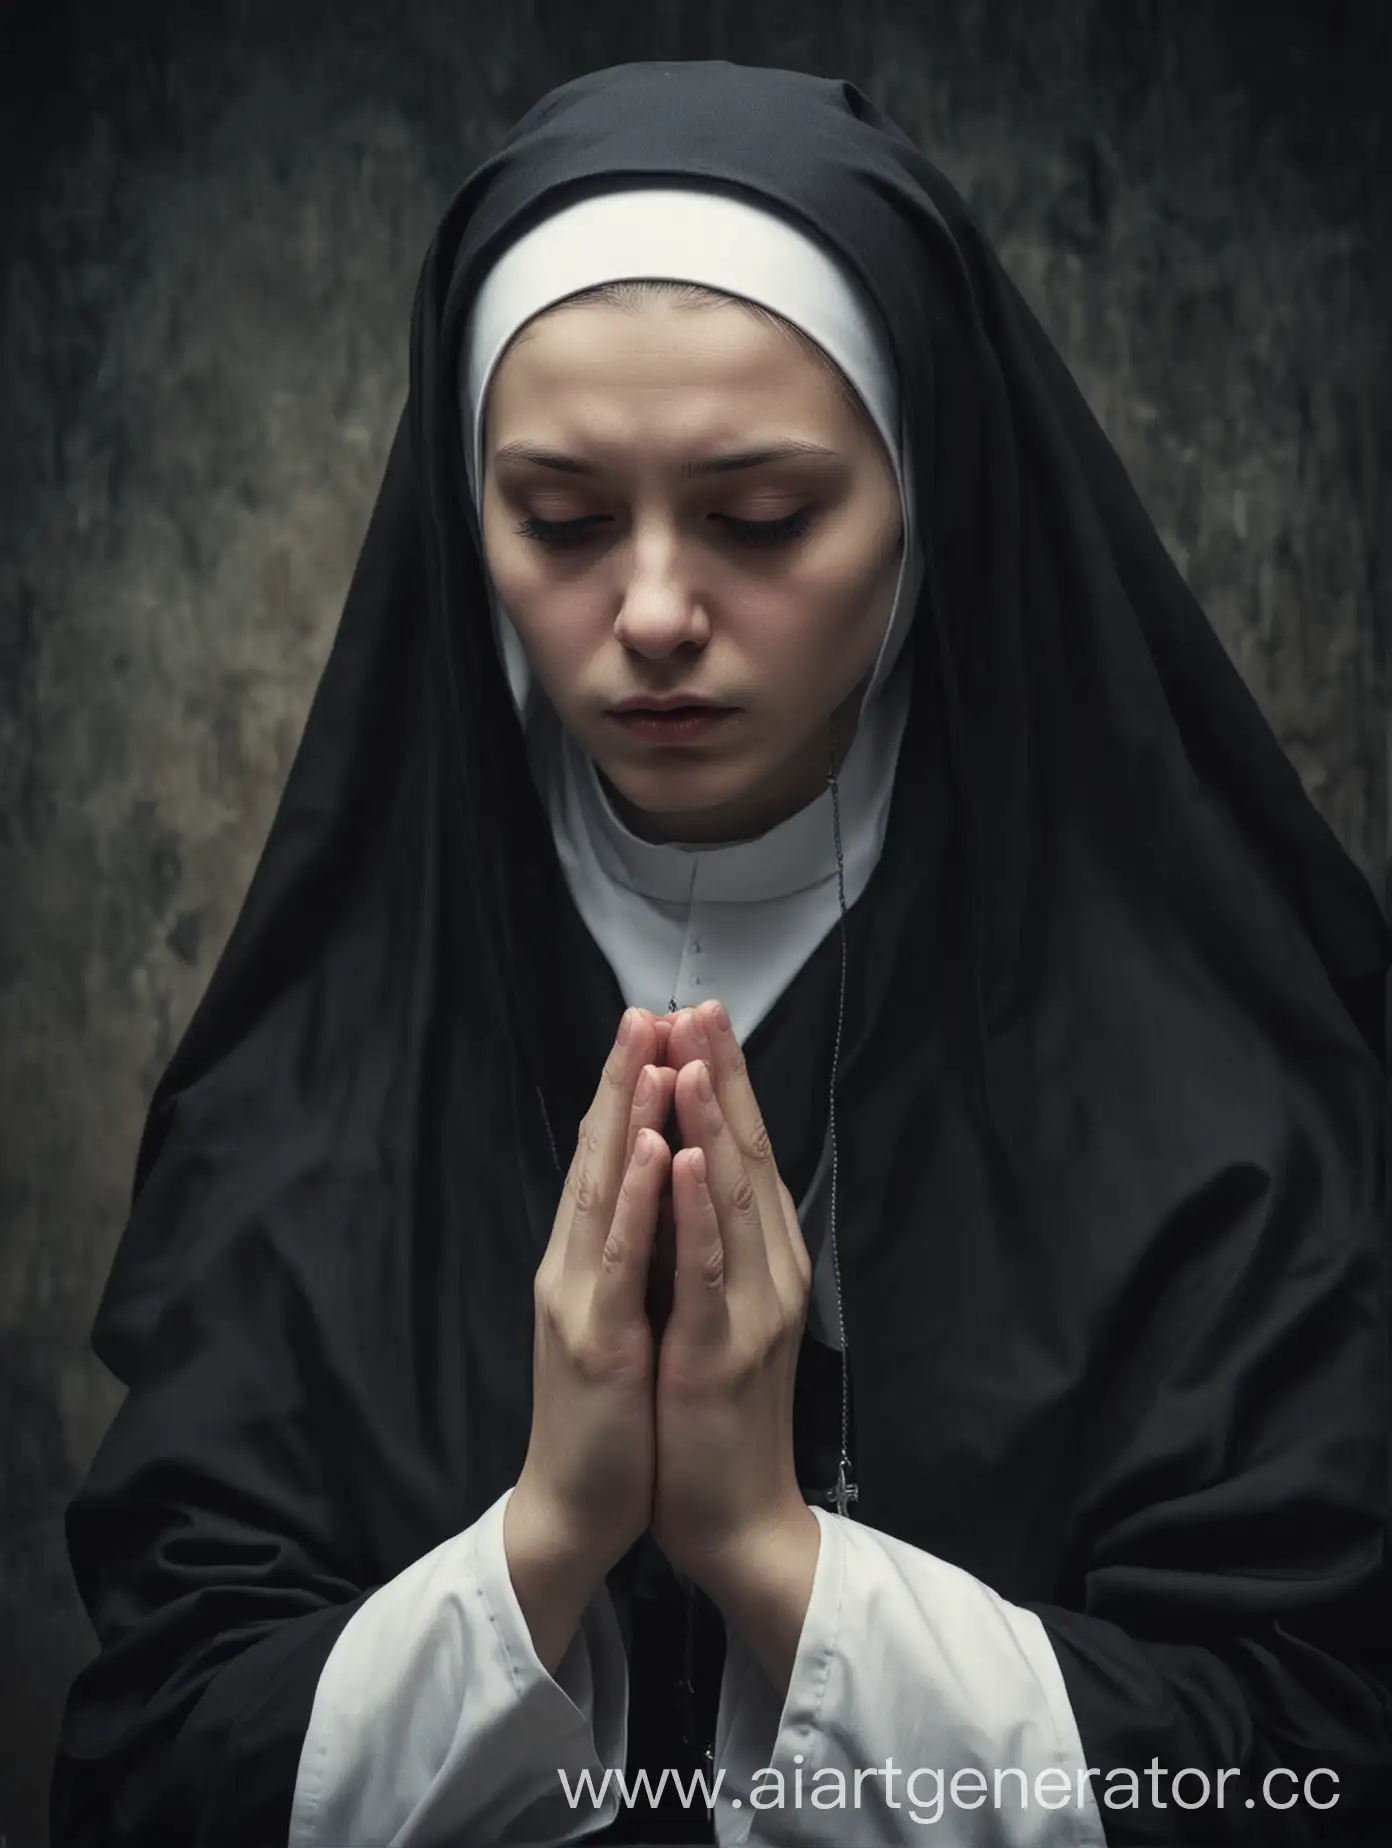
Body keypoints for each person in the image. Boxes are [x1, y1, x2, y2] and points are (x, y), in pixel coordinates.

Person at [50, 58, 1391, 1848]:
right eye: (561, 519)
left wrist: (775, 1561)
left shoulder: (1221, 1096)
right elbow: (152, 1772)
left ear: (923, 504)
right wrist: (547, 1539)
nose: (659, 612)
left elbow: (1311, 1765)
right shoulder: (302, 1099)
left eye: (762, 519)